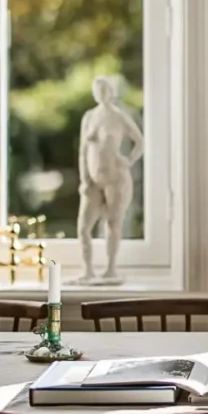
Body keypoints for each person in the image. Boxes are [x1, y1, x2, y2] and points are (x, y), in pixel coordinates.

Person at [77, 75, 144, 284]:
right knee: (83, 227)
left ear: (111, 93)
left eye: (104, 90)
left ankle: (111, 268)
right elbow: (82, 151)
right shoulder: (89, 117)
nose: (101, 95)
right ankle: (87, 270)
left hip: (115, 178)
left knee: (113, 223)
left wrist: (129, 160)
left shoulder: (119, 117)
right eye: (97, 91)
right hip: (93, 180)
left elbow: (139, 142)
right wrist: (84, 179)